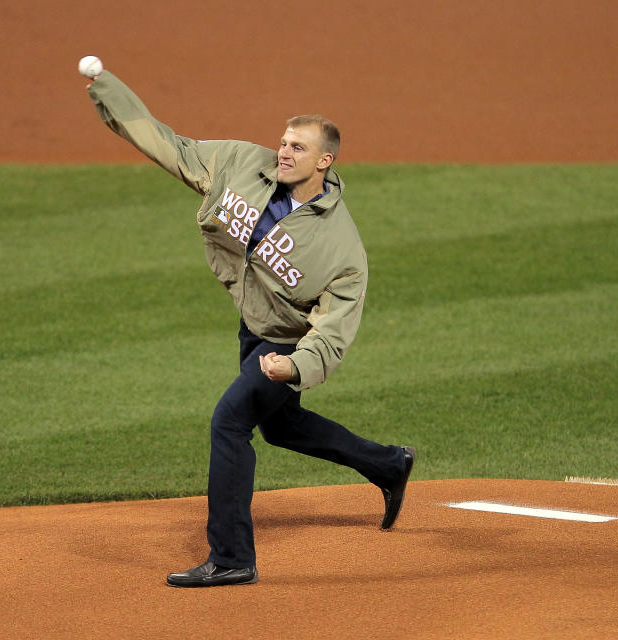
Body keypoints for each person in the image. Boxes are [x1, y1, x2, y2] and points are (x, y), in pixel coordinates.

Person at [84, 63, 415, 588]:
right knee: (280, 426)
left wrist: (293, 365)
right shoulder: (241, 164)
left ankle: (233, 557)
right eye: (283, 142)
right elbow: (170, 145)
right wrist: (108, 91)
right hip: (252, 327)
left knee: (230, 423)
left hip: (284, 346)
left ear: (325, 162)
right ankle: (390, 464)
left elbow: (333, 330)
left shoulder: (342, 249)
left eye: (298, 148)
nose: (283, 152)